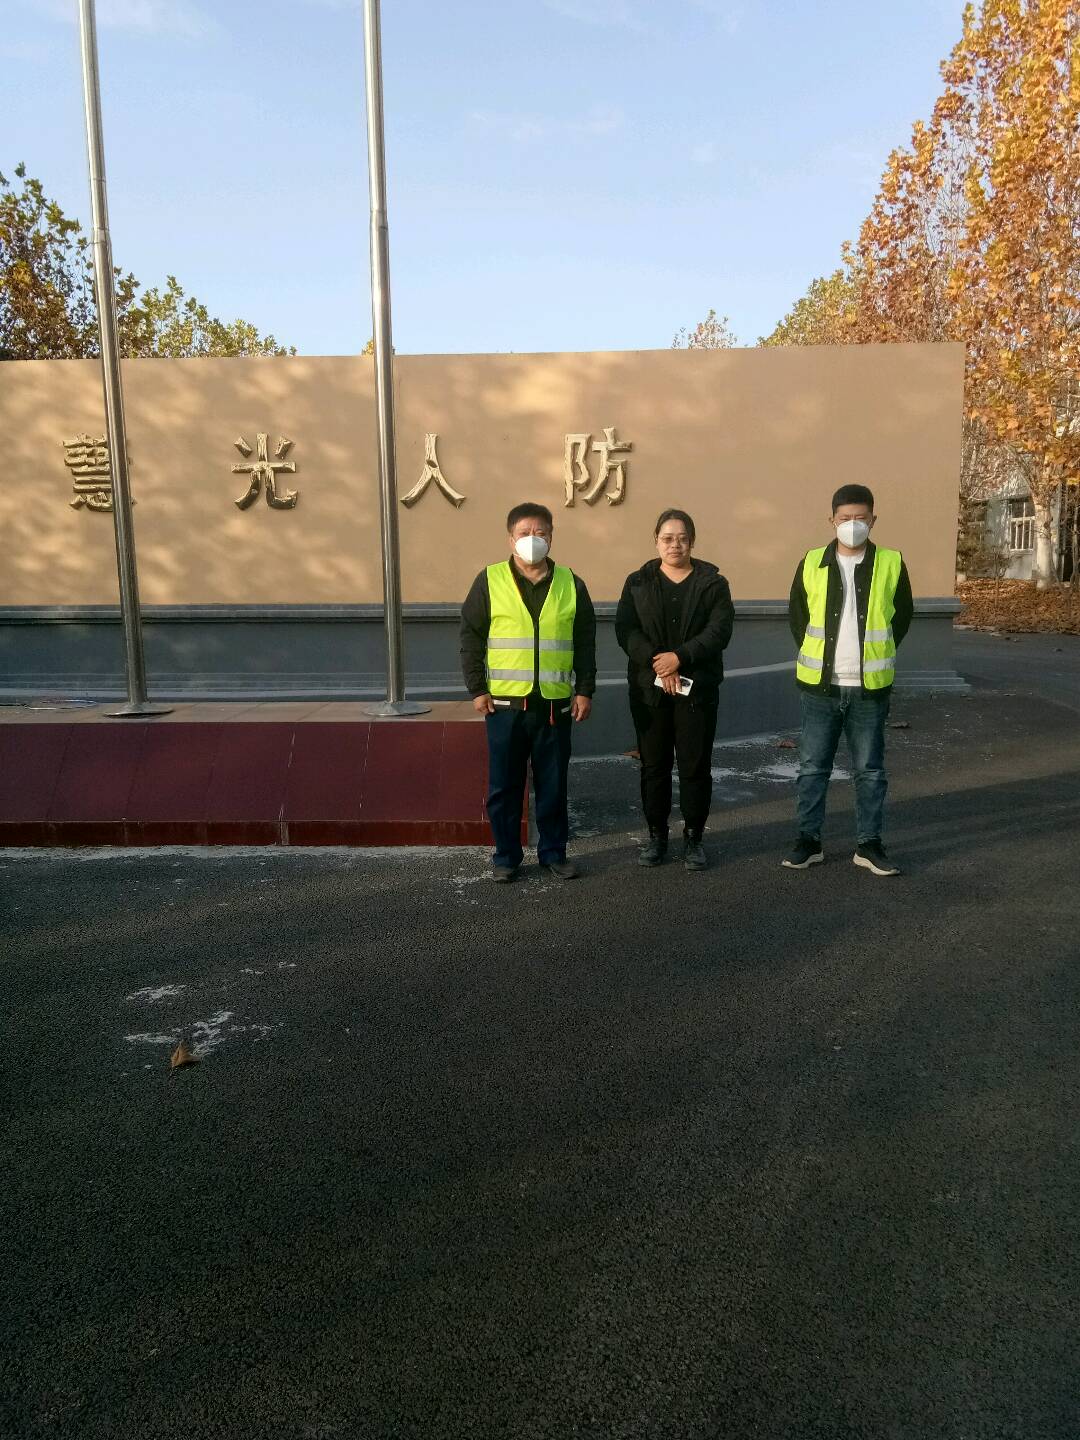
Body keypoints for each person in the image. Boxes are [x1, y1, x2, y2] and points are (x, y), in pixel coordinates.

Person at [460, 502, 596, 882]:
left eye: (540, 533)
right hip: (504, 706)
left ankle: (554, 853)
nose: (532, 539)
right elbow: (470, 637)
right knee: (505, 787)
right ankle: (506, 856)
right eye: (524, 533)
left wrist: (585, 689)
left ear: (551, 537)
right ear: (511, 539)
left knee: (553, 785)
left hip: (554, 705)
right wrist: (477, 688)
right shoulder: (489, 580)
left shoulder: (571, 583)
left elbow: (585, 642)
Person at [783, 483, 913, 877]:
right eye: (845, 518)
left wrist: (875, 654)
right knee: (812, 768)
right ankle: (809, 841)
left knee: (870, 770)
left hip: (869, 688)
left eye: (860, 518)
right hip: (820, 687)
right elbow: (797, 617)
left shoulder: (891, 562)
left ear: (873, 519)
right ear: (832, 520)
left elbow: (902, 617)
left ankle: (868, 845)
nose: (852, 524)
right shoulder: (811, 562)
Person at [615, 509, 734, 870]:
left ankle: (694, 839)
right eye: (667, 538)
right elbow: (626, 629)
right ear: (656, 541)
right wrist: (658, 661)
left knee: (695, 766)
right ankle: (657, 837)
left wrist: (679, 657)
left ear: (692, 542)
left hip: (697, 692)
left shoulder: (713, 583)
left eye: (682, 538)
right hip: (649, 692)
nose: (675, 545)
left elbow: (719, 631)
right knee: (654, 766)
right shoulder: (638, 582)